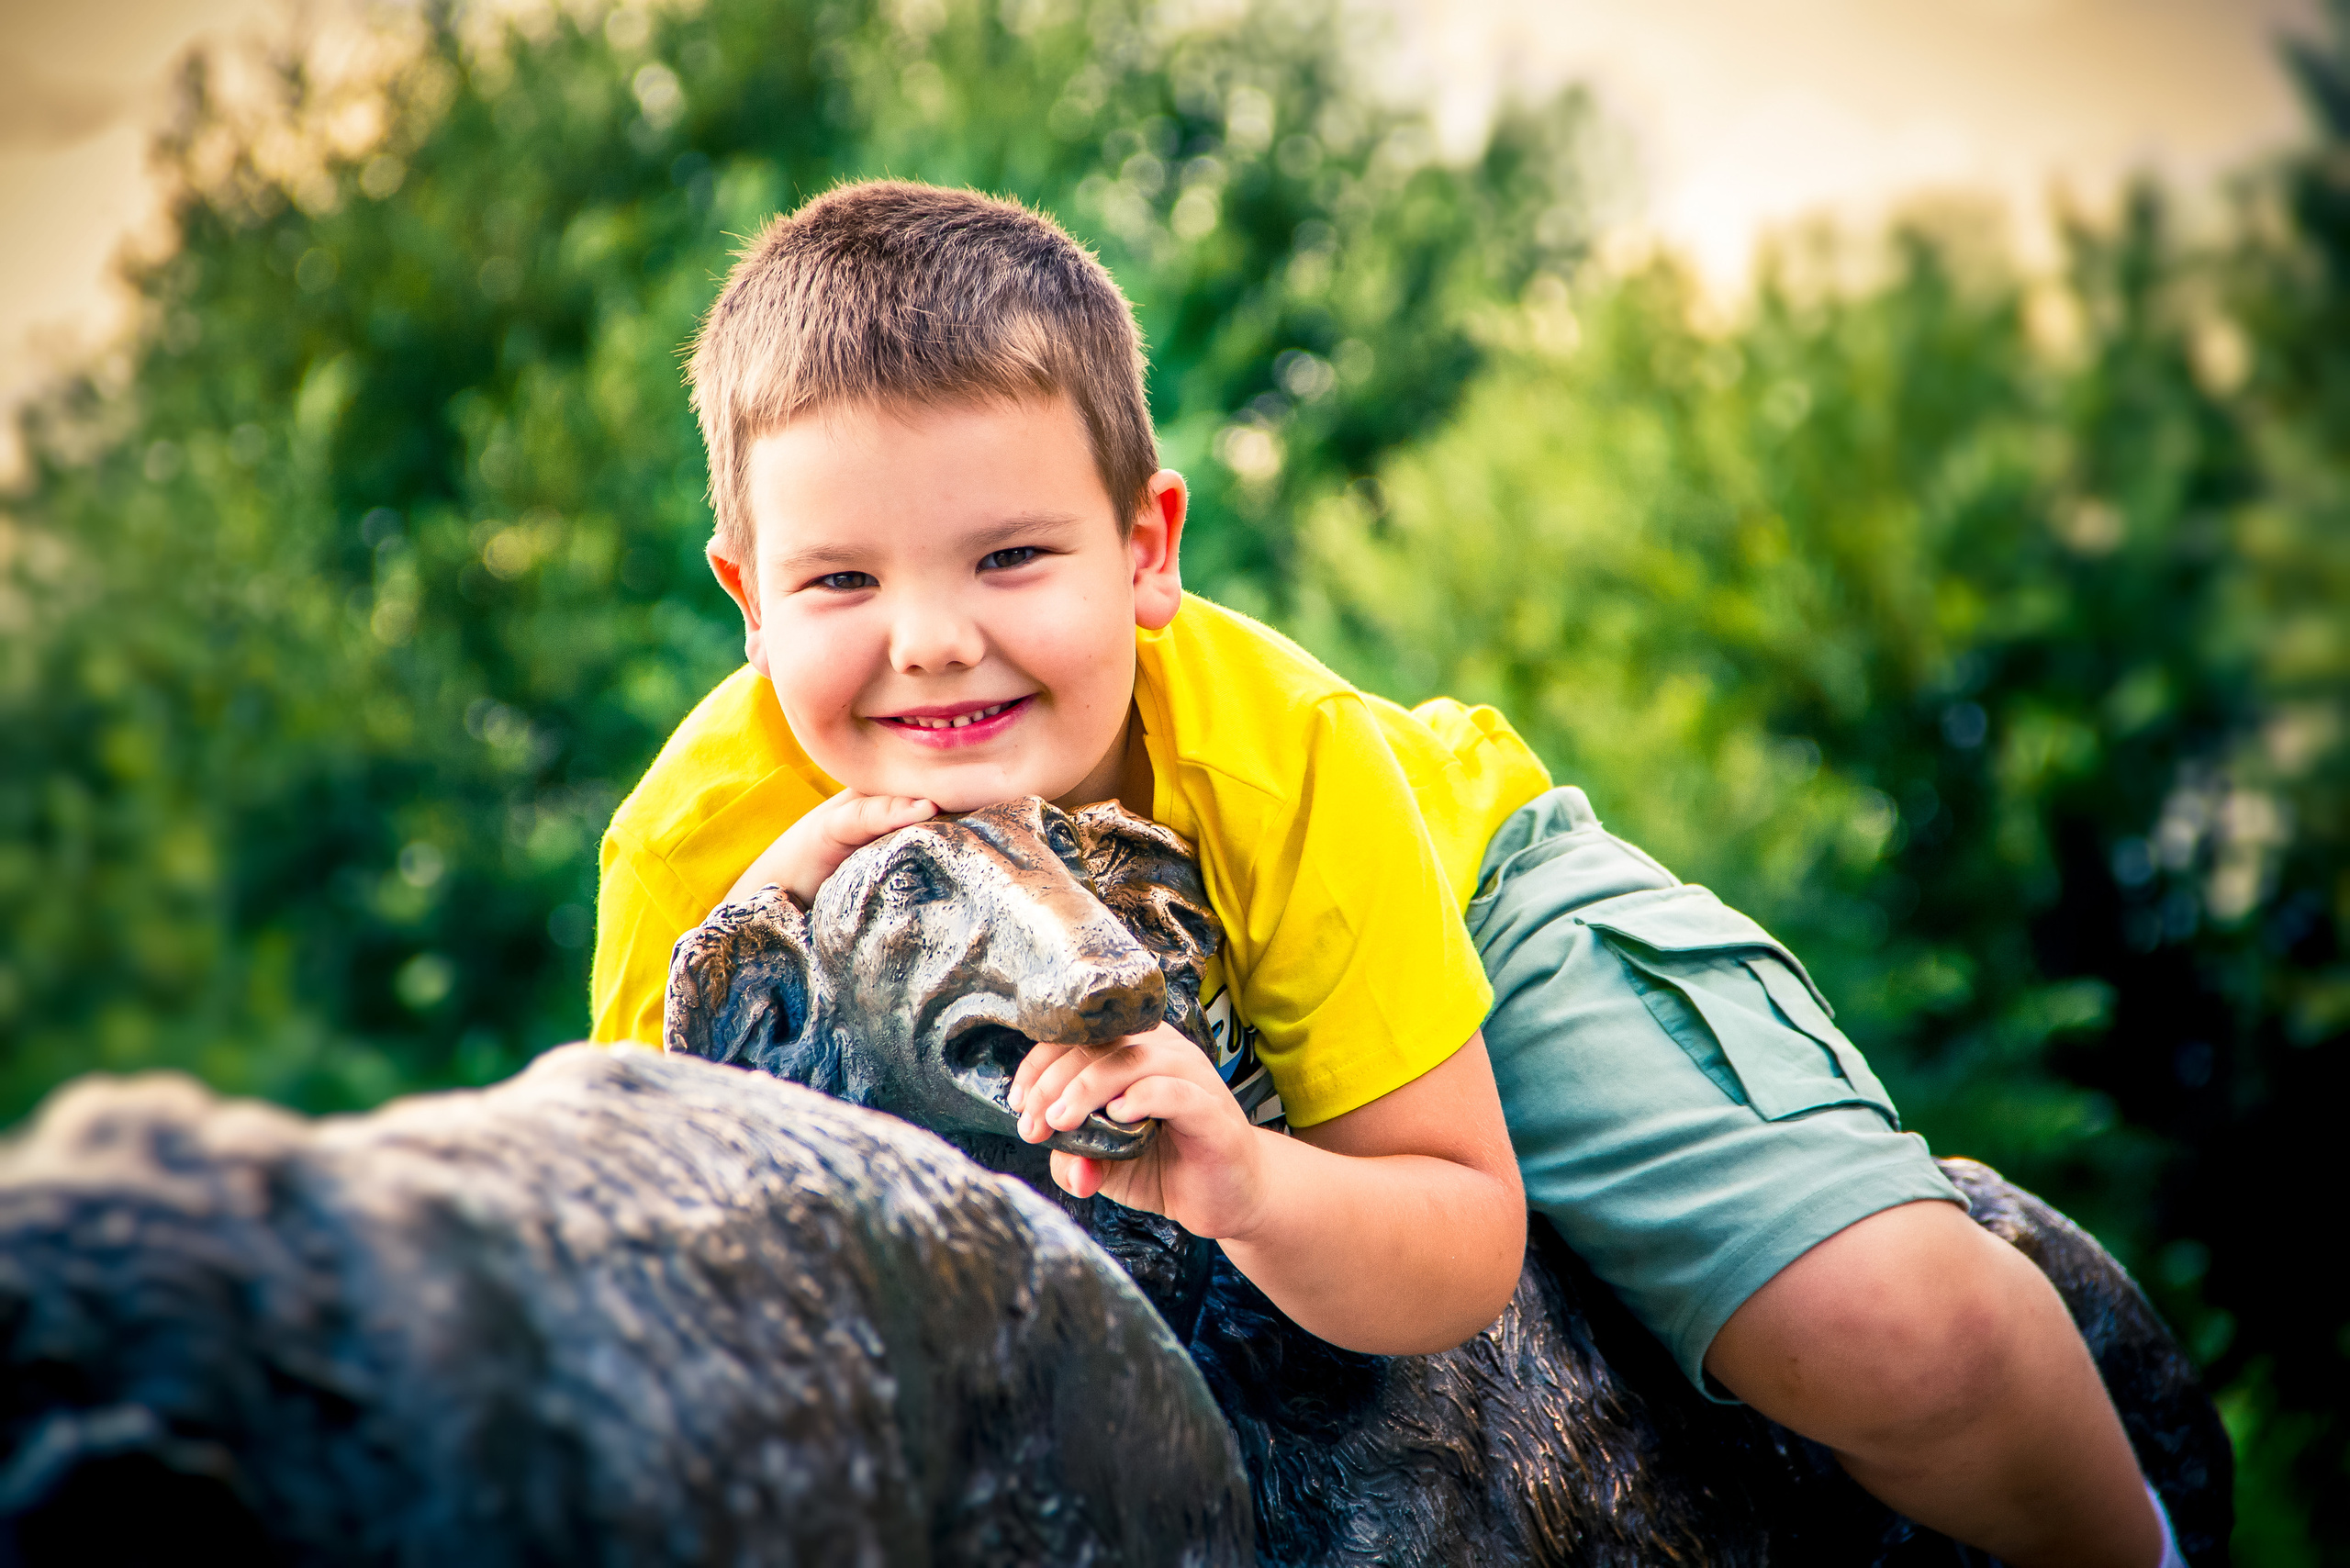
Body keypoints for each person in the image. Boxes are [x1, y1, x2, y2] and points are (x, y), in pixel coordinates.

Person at [589, 180, 2177, 1566]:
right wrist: (744, 964)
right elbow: (654, 1273)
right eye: (842, 580)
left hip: (1469, 892)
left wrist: (1252, 1188)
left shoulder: (1289, 762)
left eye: (1011, 556)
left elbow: (1457, 1244)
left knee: (1890, 1325)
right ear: (747, 599)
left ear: (1148, 549)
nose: (935, 638)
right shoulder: (696, 852)